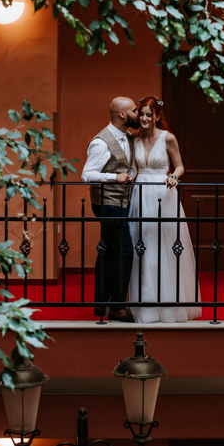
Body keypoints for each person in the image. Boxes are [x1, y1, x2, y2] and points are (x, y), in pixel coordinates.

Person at [127, 96, 201, 323]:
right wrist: (127, 178)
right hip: (140, 195)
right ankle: (145, 306)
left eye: (149, 114)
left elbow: (179, 166)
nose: (144, 118)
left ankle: (168, 305)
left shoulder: (168, 138)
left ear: (158, 116)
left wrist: (173, 177)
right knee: (142, 246)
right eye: (141, 114)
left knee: (165, 246)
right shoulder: (135, 138)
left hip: (163, 194)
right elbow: (132, 168)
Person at [81, 96, 140, 323]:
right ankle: (116, 306)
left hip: (121, 204)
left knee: (108, 251)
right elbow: (87, 175)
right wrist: (115, 177)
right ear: (123, 115)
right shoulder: (102, 142)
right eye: (134, 110)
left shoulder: (128, 137)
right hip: (108, 205)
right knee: (125, 251)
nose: (137, 114)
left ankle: (101, 302)